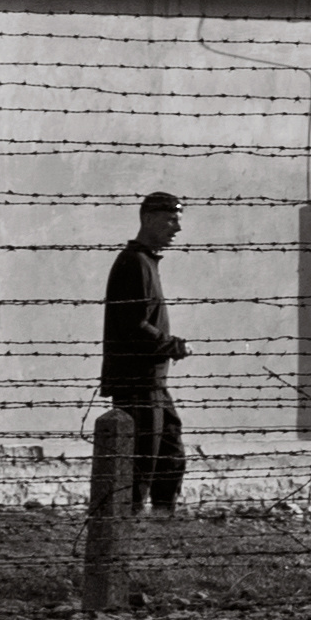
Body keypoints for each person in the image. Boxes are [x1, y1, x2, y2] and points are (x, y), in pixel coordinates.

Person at [103, 192, 193, 513]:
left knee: (170, 453)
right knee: (139, 463)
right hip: (138, 383)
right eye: (171, 220)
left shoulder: (146, 262)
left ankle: (161, 522)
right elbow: (134, 326)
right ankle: (129, 526)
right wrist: (173, 345)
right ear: (147, 218)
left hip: (153, 381)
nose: (177, 229)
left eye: (178, 220)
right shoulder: (134, 263)